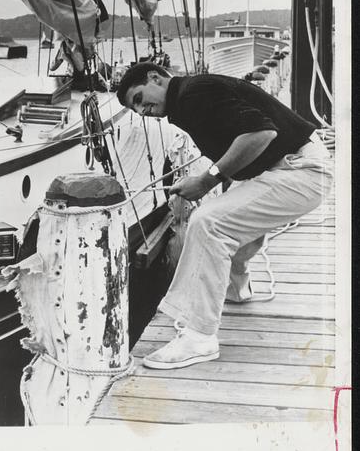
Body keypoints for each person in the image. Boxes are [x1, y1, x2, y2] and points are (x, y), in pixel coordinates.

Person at [117, 62, 332, 369]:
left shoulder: (193, 95)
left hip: (301, 171)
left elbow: (261, 133)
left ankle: (199, 336)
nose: (141, 111)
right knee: (227, 215)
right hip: (295, 168)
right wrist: (219, 184)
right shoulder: (189, 97)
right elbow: (238, 143)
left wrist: (206, 181)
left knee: (209, 222)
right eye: (135, 109)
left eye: (139, 98)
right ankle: (237, 287)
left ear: (155, 78)